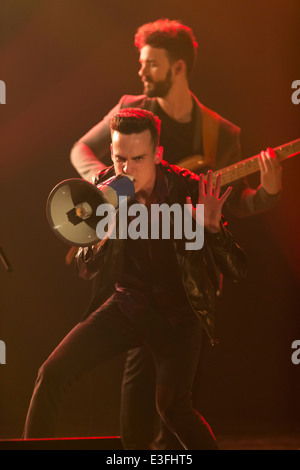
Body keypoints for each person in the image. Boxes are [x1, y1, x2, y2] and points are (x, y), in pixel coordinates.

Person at [69, 19, 281, 449]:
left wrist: (269, 193)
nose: (142, 73)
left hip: (189, 283)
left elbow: (234, 203)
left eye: (151, 65)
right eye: (141, 64)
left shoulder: (221, 132)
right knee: (136, 394)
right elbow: (81, 149)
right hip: (137, 277)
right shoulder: (133, 110)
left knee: (177, 405)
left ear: (179, 67)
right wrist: (109, 183)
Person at [23, 108, 247, 450]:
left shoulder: (188, 187)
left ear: (158, 154)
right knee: (51, 374)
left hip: (180, 314)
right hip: (128, 305)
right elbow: (85, 269)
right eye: (119, 158)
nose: (126, 169)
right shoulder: (103, 191)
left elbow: (237, 269)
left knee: (173, 410)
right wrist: (101, 236)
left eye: (138, 158)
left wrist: (214, 230)